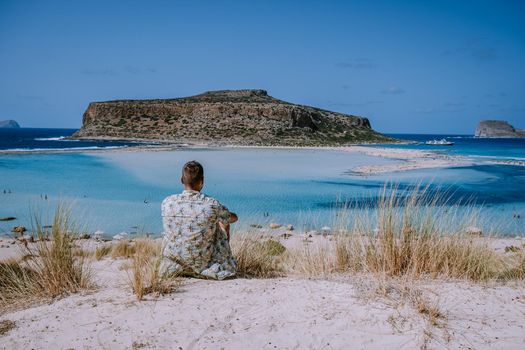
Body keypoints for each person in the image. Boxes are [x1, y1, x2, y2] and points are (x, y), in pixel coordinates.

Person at [160, 160, 238, 280]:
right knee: (223, 222)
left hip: (171, 265)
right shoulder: (211, 205)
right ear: (202, 181)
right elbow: (233, 218)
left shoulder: (167, 202)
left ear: (182, 180)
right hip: (202, 265)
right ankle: (222, 263)